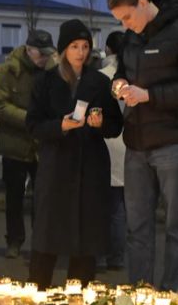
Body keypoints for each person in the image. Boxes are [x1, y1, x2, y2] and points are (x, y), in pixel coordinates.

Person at [107, 0, 178, 290]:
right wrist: (119, 85)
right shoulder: (132, 38)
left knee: (175, 226)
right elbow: (122, 72)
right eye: (120, 21)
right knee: (137, 227)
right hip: (137, 143)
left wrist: (149, 95)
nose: (125, 25)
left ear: (143, 3)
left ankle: (172, 296)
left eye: (127, 17)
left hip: (174, 144)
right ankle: (140, 294)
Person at [26, 19, 123, 289]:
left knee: (85, 240)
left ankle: (78, 301)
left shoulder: (100, 83)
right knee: (47, 237)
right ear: (63, 50)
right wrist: (60, 125)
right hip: (56, 168)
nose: (81, 52)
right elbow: (33, 124)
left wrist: (101, 123)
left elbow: (116, 125)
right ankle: (37, 294)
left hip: (90, 169)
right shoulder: (46, 82)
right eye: (74, 46)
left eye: (85, 46)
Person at [0, 29, 57, 258]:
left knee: (43, 198)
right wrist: (29, 120)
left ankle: (42, 242)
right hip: (15, 144)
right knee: (14, 197)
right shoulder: (9, 70)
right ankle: (14, 240)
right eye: (42, 54)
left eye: (49, 54)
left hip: (42, 146)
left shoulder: (53, 69)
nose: (46, 59)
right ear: (29, 51)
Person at [99, 31, 128, 270]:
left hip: (104, 144)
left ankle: (97, 254)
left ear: (107, 50)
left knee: (100, 205)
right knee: (120, 207)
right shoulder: (134, 76)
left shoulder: (99, 77)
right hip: (128, 145)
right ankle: (117, 257)